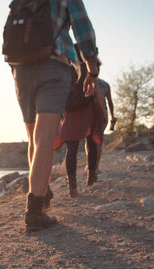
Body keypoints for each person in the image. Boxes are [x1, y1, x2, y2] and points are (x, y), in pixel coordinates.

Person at [7, 0, 99, 232]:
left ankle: (41, 190)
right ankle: (35, 209)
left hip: (20, 70)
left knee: (33, 138)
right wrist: (92, 69)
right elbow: (83, 28)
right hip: (53, 64)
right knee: (45, 137)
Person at [54, 56, 107, 197]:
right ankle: (91, 177)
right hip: (87, 112)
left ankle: (72, 187)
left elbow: (59, 94)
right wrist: (103, 113)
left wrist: (59, 115)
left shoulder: (66, 70)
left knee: (71, 149)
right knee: (91, 143)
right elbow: (97, 92)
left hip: (70, 113)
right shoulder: (88, 69)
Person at [93, 77, 116, 171]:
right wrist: (112, 116)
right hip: (103, 114)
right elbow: (110, 102)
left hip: (90, 114)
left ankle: (91, 166)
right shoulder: (105, 85)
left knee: (90, 141)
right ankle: (96, 166)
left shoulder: (87, 81)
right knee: (98, 140)